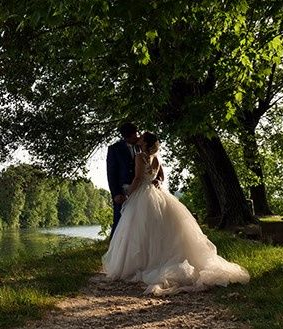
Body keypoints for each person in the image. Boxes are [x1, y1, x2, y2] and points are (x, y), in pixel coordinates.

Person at [102, 132, 250, 295]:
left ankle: (141, 263)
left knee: (140, 229)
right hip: (156, 193)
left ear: (145, 143)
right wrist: (154, 181)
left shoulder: (139, 157)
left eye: (142, 139)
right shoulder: (156, 158)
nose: (139, 140)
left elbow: (137, 178)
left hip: (142, 194)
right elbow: (161, 177)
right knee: (160, 228)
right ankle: (157, 260)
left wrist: (128, 194)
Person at [106, 122, 140, 238]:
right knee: (120, 222)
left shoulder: (142, 146)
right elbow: (111, 173)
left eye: (136, 134)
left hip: (141, 190)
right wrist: (116, 193)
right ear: (126, 136)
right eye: (133, 135)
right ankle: (115, 251)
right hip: (123, 190)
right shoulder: (114, 149)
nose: (136, 137)